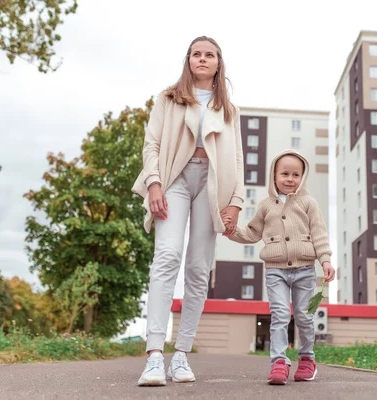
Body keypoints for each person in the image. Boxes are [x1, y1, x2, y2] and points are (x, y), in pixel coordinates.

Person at [132, 36, 244, 386]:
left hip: (211, 185)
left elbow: (237, 158)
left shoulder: (228, 109)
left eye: (209, 54)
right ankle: (153, 356)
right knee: (167, 256)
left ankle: (181, 355)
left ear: (218, 62)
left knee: (198, 268)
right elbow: (152, 143)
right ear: (188, 60)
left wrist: (235, 203)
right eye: (196, 53)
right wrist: (153, 183)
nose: (202, 58)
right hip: (174, 179)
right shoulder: (168, 99)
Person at [224, 149, 335, 385]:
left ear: (302, 178)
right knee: (280, 315)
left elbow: (319, 234)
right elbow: (252, 232)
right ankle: (279, 362)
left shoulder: (309, 203)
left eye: (296, 174)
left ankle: (307, 359)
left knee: (304, 317)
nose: (290, 179)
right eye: (284, 173)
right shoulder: (266, 206)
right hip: (275, 271)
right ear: (274, 176)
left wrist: (325, 260)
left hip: (305, 270)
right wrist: (232, 231)